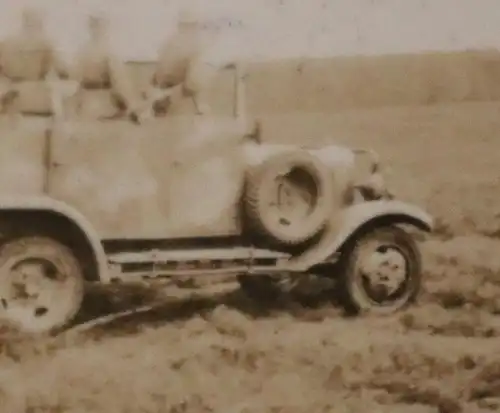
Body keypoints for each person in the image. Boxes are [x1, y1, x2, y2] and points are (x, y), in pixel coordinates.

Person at [136, 5, 220, 122]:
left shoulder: (171, 41)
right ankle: (166, 99)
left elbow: (161, 69)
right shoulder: (192, 42)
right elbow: (193, 80)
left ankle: (159, 100)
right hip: (173, 84)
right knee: (201, 72)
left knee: (197, 69)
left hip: (161, 83)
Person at [0, 7, 69, 115]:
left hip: (11, 97)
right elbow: (61, 69)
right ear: (38, 22)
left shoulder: (6, 43)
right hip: (36, 98)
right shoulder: (44, 42)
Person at [71, 12, 138, 119]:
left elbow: (75, 79)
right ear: (104, 27)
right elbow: (120, 83)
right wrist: (132, 106)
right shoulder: (108, 50)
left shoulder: (82, 50)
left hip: (84, 106)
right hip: (105, 105)